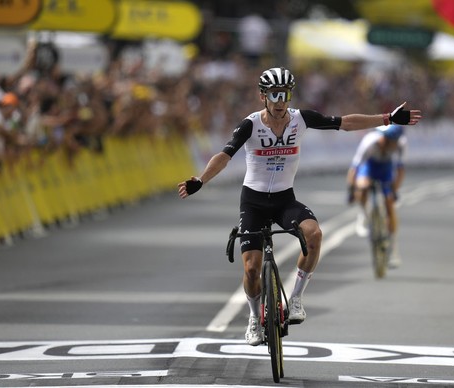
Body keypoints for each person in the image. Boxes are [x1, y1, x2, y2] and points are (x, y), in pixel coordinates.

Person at [177, 67, 421, 346]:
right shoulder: (251, 124)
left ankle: (295, 299)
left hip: (284, 200)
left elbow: (344, 123)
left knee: (314, 235)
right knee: (252, 269)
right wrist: (201, 180)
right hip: (253, 202)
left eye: (285, 94)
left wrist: (388, 118)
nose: (281, 101)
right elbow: (225, 155)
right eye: (274, 95)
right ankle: (254, 319)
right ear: (263, 96)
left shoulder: (300, 119)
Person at [346, 124, 406, 268]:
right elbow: (354, 169)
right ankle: (363, 215)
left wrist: (394, 190)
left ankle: (392, 250)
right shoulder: (370, 142)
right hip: (369, 166)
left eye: (392, 143)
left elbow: (400, 171)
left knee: (389, 204)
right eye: (386, 141)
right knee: (362, 186)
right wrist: (351, 190)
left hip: (386, 169)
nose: (389, 145)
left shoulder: (401, 145)